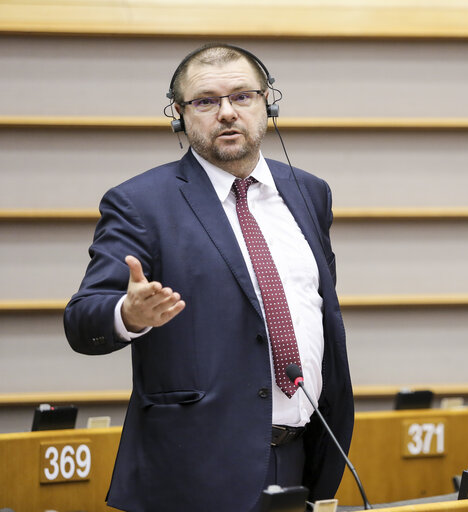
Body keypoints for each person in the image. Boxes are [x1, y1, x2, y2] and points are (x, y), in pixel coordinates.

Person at [63, 43, 353, 512]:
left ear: (268, 103)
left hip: (301, 457)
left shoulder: (309, 193)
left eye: (242, 96)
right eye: (205, 101)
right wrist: (127, 314)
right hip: (193, 471)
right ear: (179, 115)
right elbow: (82, 321)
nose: (226, 113)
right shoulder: (140, 203)